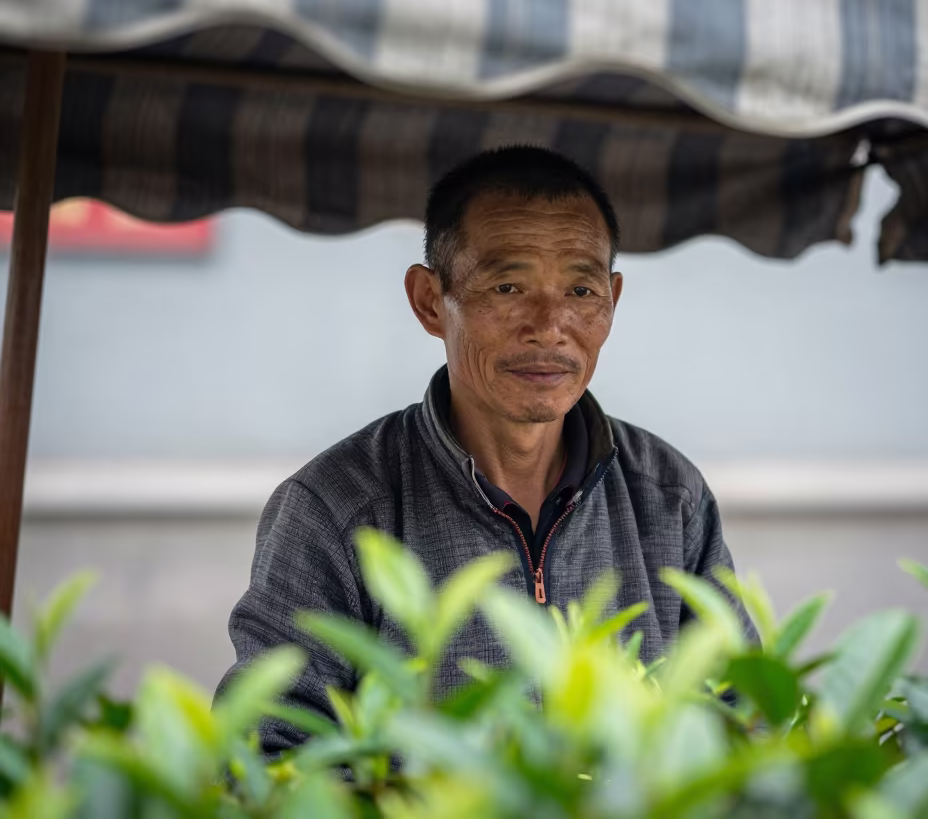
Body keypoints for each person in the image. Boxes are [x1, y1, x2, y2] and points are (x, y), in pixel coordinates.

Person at [218, 145, 755, 753]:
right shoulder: (336, 507)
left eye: (581, 291)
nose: (550, 325)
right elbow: (269, 754)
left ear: (613, 300)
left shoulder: (665, 495)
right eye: (508, 285)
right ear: (429, 301)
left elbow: (741, 724)